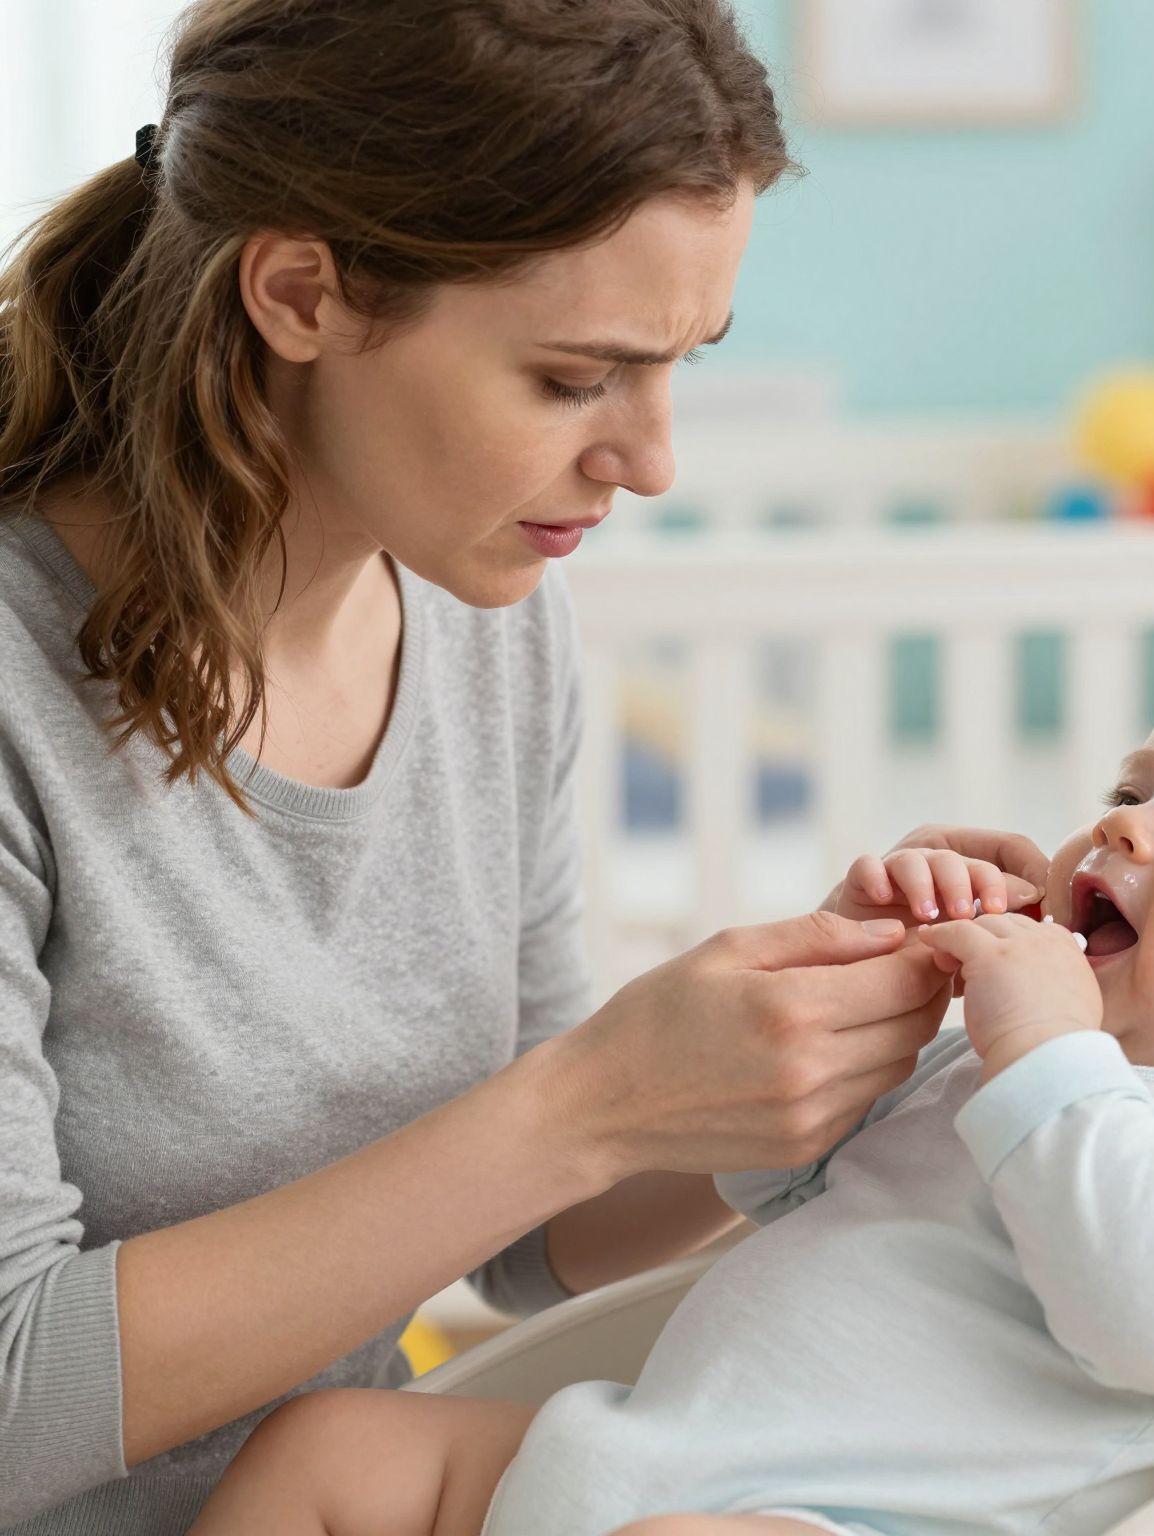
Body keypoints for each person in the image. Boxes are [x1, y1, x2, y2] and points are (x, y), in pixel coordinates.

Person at [0, 4, 1046, 1531]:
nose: (652, 457)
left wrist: (818, 1054)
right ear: (302, 293)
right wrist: (591, 1101)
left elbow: (518, 1237)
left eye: (682, 364)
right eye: (574, 380)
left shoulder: (488, 631)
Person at [187, 667, 1154, 1536]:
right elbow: (775, 1183)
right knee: (333, 1444)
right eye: (1134, 790)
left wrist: (1048, 1056)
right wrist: (879, 1006)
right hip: (617, 1457)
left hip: (834, 1525)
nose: (1130, 825)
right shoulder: (984, 1071)